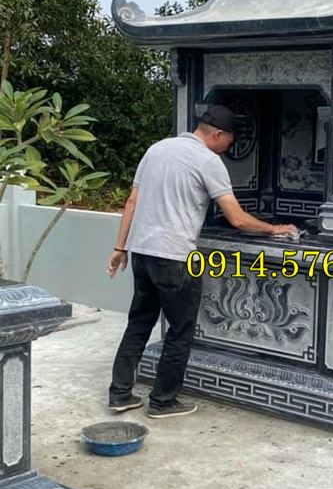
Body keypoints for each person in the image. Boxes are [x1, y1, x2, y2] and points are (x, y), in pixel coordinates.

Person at [106, 104, 297, 418]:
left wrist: (119, 247)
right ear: (218, 134)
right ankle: (163, 402)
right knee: (180, 331)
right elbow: (237, 218)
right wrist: (273, 228)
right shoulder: (208, 160)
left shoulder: (156, 150)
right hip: (176, 258)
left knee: (139, 322)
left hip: (141, 252)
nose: (228, 149)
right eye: (229, 143)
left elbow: (131, 201)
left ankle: (120, 394)